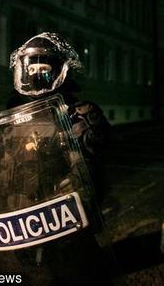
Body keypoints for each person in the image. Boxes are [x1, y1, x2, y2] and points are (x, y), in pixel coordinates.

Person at [7, 32, 111, 200]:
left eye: (44, 70)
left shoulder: (80, 114)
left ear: (59, 72)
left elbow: (92, 163)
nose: (36, 75)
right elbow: (7, 165)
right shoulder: (18, 113)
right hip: (26, 206)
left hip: (65, 203)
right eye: (32, 69)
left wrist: (78, 180)